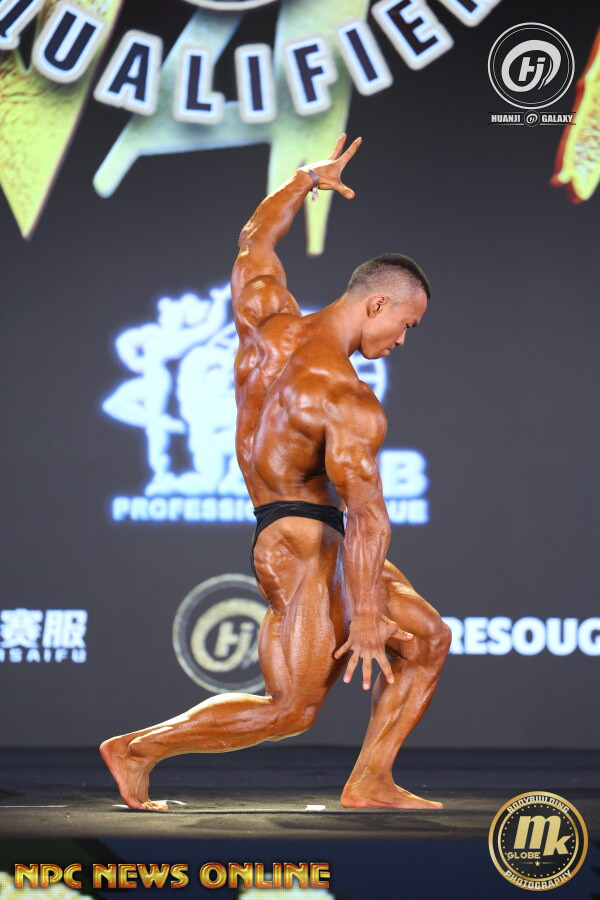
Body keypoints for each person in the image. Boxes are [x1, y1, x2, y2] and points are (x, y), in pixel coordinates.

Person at [100, 134, 451, 811]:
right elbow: (367, 514)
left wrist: (303, 180)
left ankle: (371, 780)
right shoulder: (347, 398)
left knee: (430, 638)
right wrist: (366, 616)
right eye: (408, 324)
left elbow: (254, 240)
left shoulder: (266, 322)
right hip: (303, 546)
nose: (402, 340)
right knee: (291, 709)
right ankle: (137, 748)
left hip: (302, 535)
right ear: (377, 304)